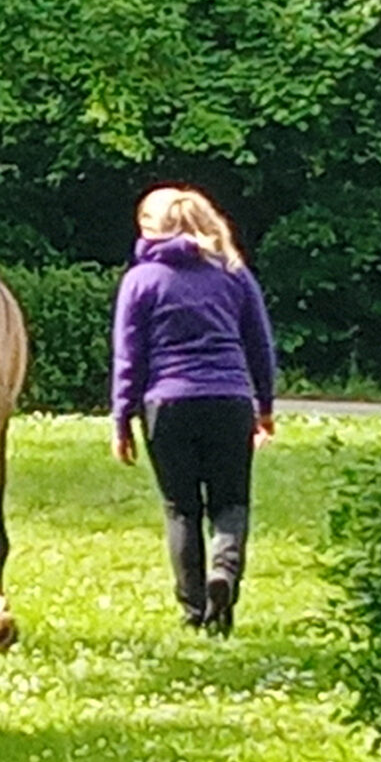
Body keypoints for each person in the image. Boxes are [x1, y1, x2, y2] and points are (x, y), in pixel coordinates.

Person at [110, 185, 276, 636]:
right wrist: (264, 406)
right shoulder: (234, 273)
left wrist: (122, 419)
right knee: (231, 501)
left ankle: (193, 608)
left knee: (181, 509)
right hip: (229, 399)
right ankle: (224, 572)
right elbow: (259, 343)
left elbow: (129, 357)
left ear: (153, 228)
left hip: (167, 403)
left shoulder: (141, 280)